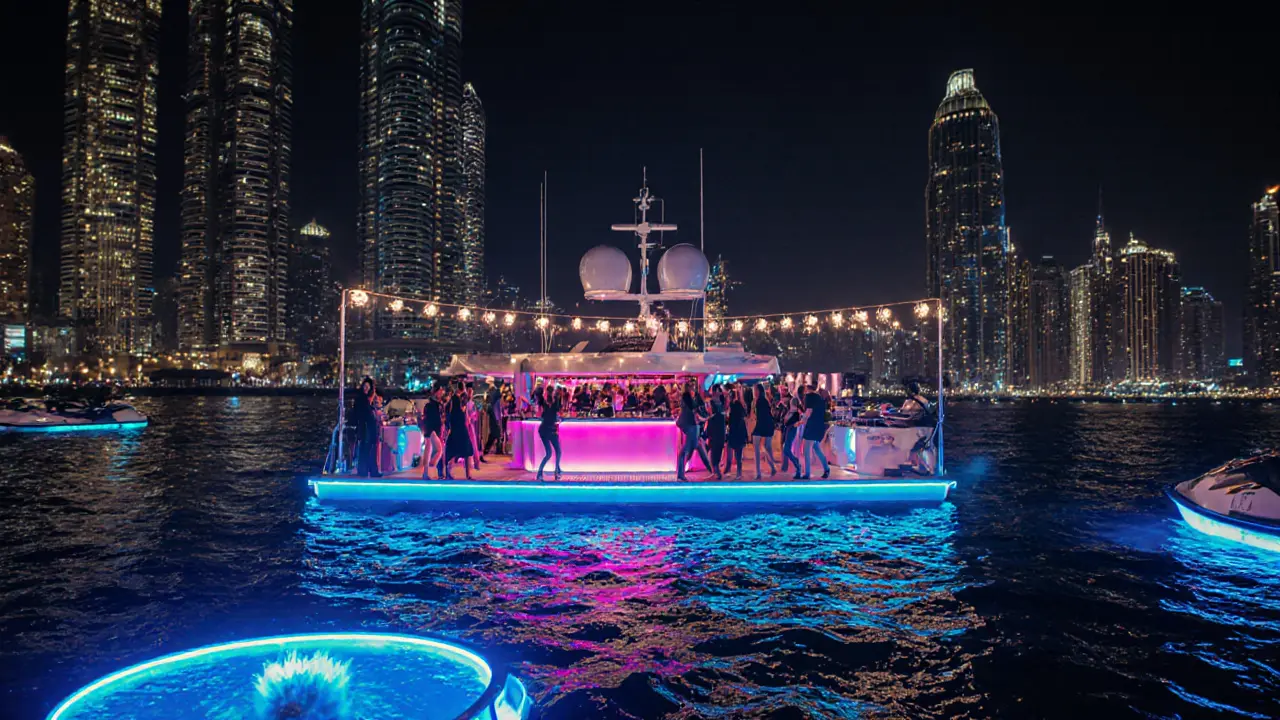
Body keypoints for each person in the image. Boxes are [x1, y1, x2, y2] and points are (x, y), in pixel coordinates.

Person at [676, 378, 718, 481]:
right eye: (692, 386)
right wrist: (706, 418)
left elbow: (696, 413)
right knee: (688, 450)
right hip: (691, 426)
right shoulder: (688, 399)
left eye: (694, 386)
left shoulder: (690, 399)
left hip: (693, 426)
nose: (694, 388)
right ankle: (713, 472)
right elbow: (695, 414)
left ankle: (713, 471)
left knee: (697, 448)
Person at [799, 383, 830, 479]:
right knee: (816, 447)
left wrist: (801, 421)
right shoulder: (819, 398)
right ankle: (826, 468)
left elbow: (808, 411)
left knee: (806, 449)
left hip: (812, 426)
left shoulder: (809, 397)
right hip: (819, 426)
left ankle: (807, 473)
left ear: (806, 389)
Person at [352, 377, 381, 477]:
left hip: (367, 427)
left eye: (368, 387)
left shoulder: (365, 399)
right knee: (367, 449)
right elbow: (363, 413)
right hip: (366, 427)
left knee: (367, 449)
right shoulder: (362, 398)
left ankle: (367, 471)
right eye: (365, 386)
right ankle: (368, 471)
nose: (366, 388)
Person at [444, 386, 474, 479]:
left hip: (455, 428)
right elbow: (462, 412)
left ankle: (449, 470)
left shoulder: (452, 401)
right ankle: (467, 475)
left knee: (456, 451)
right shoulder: (457, 400)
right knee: (466, 451)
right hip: (460, 428)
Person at [751, 384, 778, 478]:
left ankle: (760, 473)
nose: (754, 392)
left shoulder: (759, 401)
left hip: (762, 425)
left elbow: (758, 416)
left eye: (755, 390)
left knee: (758, 448)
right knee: (765, 447)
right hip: (768, 425)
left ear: (758, 391)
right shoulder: (764, 400)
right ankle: (772, 467)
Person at [537, 386, 564, 481]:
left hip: (543, 429)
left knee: (549, 453)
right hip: (550, 429)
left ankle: (540, 473)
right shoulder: (555, 401)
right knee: (558, 451)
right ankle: (557, 472)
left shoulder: (544, 402)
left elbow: (542, 414)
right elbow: (559, 412)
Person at [420, 385, 444, 479]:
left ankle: (426, 473)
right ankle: (431, 467)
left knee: (429, 450)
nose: (441, 393)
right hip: (432, 430)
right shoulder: (434, 405)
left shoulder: (432, 404)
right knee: (438, 450)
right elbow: (434, 419)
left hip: (429, 430)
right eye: (440, 391)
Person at [726, 384, 748, 480]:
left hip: (735, 431)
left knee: (734, 451)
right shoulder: (740, 406)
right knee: (738, 452)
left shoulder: (733, 406)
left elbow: (729, 419)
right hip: (739, 430)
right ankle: (738, 471)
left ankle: (732, 469)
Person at [705, 384, 727, 476]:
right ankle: (715, 468)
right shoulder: (710, 402)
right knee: (714, 446)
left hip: (721, 425)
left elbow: (725, 411)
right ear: (714, 391)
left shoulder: (722, 401)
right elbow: (709, 414)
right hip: (714, 426)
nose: (720, 392)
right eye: (719, 390)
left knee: (720, 445)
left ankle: (716, 466)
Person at [781, 393, 803, 475]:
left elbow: (789, 422)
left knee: (786, 450)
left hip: (791, 431)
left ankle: (797, 465)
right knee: (786, 450)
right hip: (788, 431)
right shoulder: (790, 412)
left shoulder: (796, 414)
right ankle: (796, 463)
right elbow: (785, 421)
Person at [483, 381, 504, 455]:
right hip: (494, 418)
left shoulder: (493, 399)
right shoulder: (494, 397)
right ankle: (495, 450)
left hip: (494, 417)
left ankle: (490, 450)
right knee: (495, 434)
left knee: (494, 434)